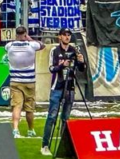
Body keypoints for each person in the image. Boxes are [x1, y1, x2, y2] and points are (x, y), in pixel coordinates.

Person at [41, 28, 86, 156]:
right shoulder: (54, 51)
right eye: (64, 35)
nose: (67, 37)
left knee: (65, 118)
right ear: (59, 37)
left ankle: (64, 145)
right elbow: (51, 68)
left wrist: (81, 61)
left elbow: (81, 69)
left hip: (70, 86)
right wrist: (62, 65)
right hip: (57, 86)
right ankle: (45, 145)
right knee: (52, 116)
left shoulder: (74, 50)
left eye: (69, 35)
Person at [5, 26, 45, 139]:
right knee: (29, 108)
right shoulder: (31, 45)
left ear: (16, 34)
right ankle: (31, 130)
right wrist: (29, 38)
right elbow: (42, 45)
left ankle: (16, 130)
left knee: (16, 106)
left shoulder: (9, 46)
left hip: (15, 80)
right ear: (25, 34)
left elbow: (6, 48)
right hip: (29, 81)